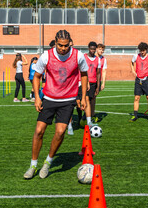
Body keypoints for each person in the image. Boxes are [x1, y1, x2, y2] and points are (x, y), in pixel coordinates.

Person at [23, 30, 88, 179]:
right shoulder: (46, 56)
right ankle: (33, 165)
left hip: (67, 100)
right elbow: (37, 76)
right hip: (49, 98)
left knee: (60, 132)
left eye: (65, 45)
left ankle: (47, 162)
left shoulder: (78, 56)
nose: (63, 48)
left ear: (70, 42)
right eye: (60, 45)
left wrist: (83, 97)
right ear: (55, 42)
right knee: (39, 131)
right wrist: (37, 98)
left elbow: (84, 75)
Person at [80, 41, 101, 128]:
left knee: (91, 101)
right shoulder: (83, 57)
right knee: (86, 100)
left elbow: (98, 73)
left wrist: (98, 86)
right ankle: (86, 120)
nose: (92, 50)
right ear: (88, 48)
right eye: (91, 49)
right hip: (84, 82)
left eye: (94, 49)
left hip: (93, 83)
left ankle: (85, 118)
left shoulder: (97, 59)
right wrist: (86, 81)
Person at [91, 43, 107, 122]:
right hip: (89, 80)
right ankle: (86, 115)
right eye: (100, 49)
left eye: (103, 50)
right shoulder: (91, 57)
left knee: (93, 98)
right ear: (96, 49)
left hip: (97, 81)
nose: (102, 51)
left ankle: (92, 115)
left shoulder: (103, 59)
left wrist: (103, 83)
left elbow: (103, 71)